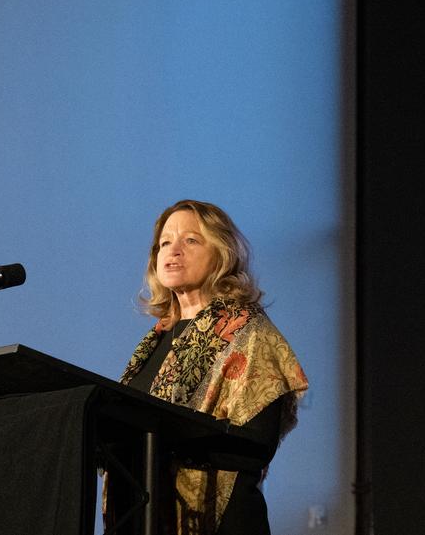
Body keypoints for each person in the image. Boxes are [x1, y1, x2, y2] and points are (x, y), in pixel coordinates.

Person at [117, 199, 308, 535]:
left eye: (190, 240)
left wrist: (169, 433)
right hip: (145, 519)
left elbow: (255, 446)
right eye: (165, 243)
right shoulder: (156, 341)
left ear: (222, 254)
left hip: (221, 522)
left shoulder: (250, 334)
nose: (173, 250)